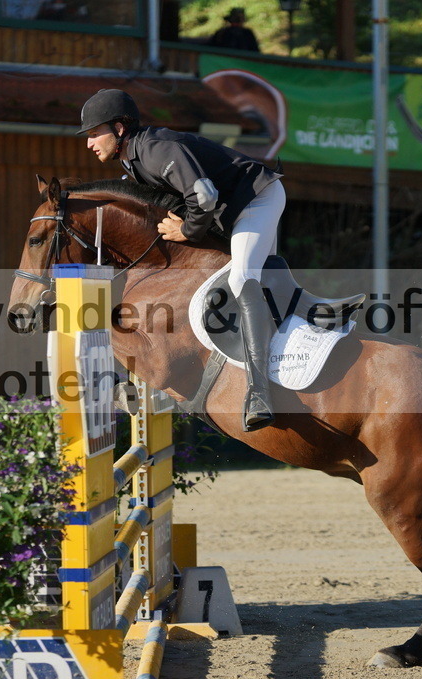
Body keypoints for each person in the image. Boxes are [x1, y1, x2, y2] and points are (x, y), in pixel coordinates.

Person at [78, 88, 284, 431]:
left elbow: (204, 196)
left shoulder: (156, 150)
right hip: (228, 211)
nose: (89, 143)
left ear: (118, 129)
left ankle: (259, 390)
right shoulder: (133, 161)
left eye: (94, 133)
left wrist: (187, 232)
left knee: (241, 279)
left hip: (255, 201)